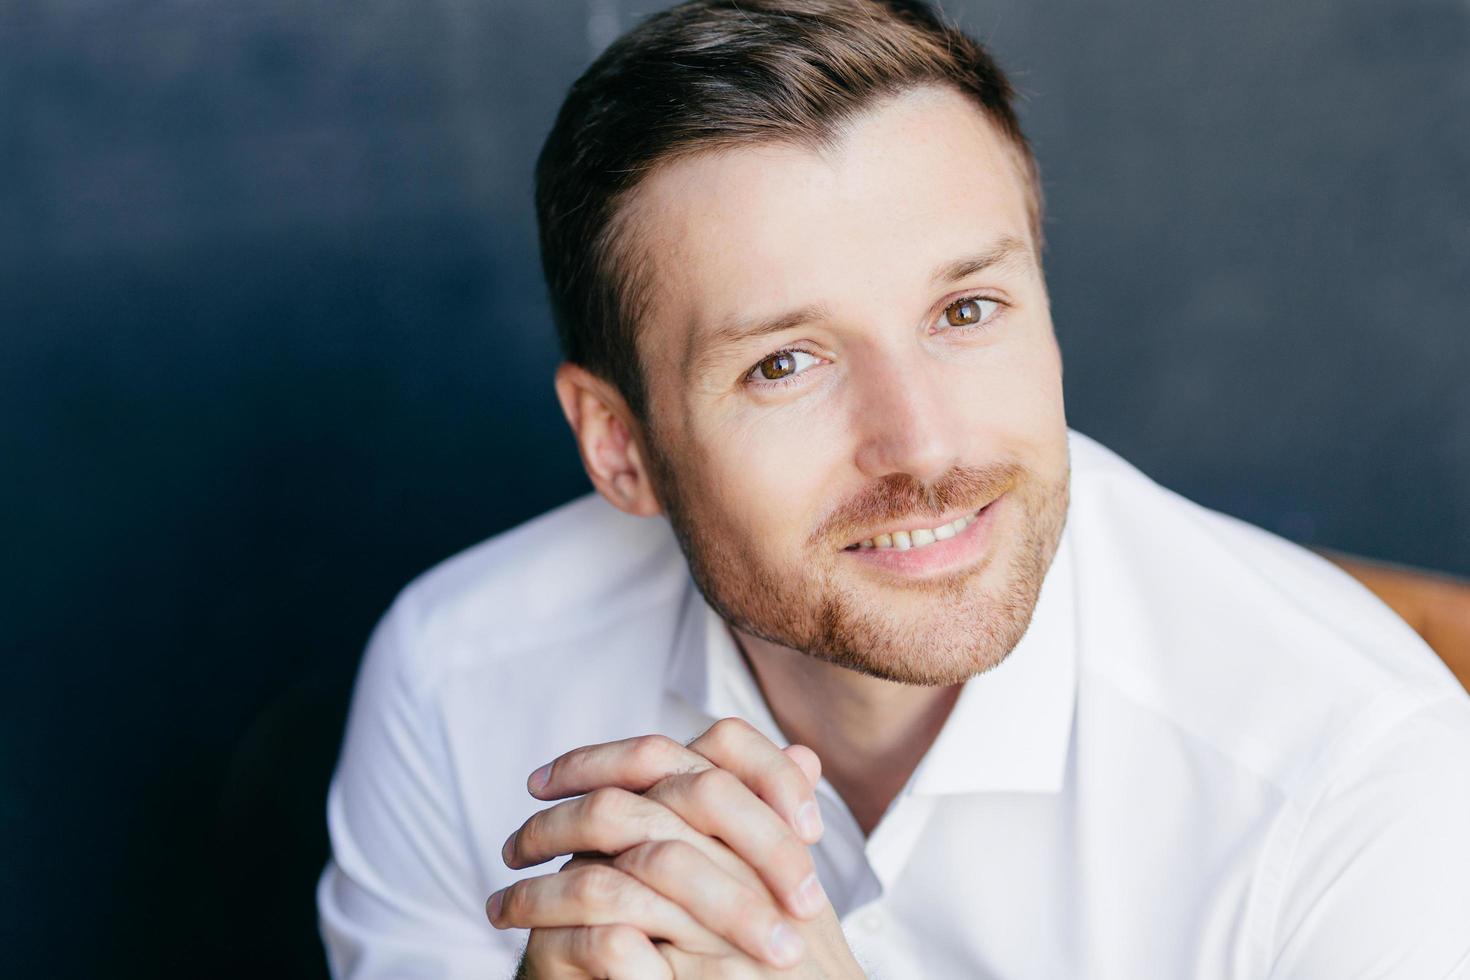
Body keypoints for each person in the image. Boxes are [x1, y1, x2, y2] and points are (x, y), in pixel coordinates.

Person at [316, 1, 1470, 976]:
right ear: (619, 445)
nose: (918, 446)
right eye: (784, 362)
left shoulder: (1359, 778)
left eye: (965, 312)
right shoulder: (458, 681)